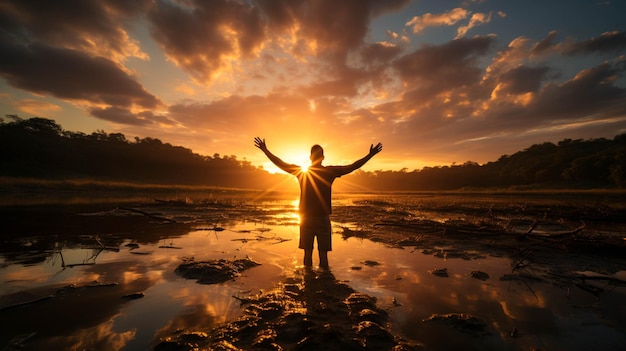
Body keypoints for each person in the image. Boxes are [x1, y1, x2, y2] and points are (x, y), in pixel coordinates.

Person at [254, 137, 382, 269]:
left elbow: (281, 164)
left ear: (310, 157)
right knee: (323, 256)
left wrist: (265, 150)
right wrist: (370, 155)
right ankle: (323, 280)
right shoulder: (328, 172)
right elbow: (352, 167)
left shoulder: (303, 172)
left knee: (307, 254)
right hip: (321, 218)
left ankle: (308, 281)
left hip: (307, 218)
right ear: (323, 157)